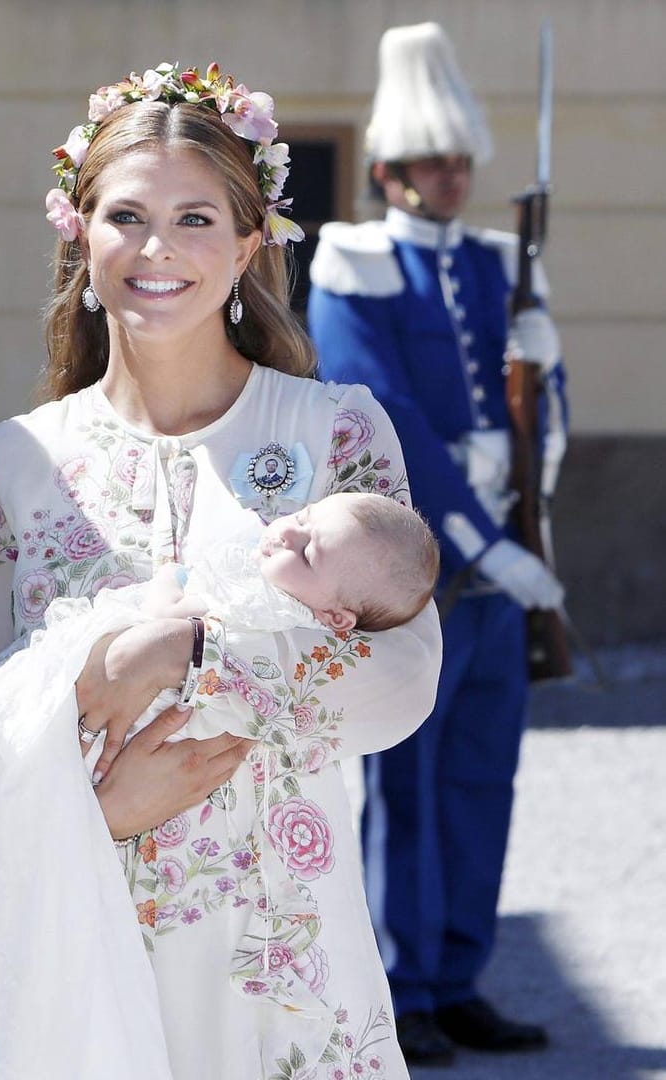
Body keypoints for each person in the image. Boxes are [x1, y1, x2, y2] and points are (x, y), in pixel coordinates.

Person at [0, 63, 444, 1079]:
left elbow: (400, 683)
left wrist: (191, 653)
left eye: (195, 219)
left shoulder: (335, 432)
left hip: (286, 967)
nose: (157, 250)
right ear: (79, 232)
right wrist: (93, 814)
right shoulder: (10, 464)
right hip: (74, 952)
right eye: (127, 216)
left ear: (248, 241)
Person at [308, 22, 567, 1064]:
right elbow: (394, 421)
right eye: (431, 162)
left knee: (480, 777)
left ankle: (457, 976)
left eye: (462, 160)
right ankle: (398, 987)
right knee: (405, 783)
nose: (453, 177)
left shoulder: (506, 267)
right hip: (420, 567)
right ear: (387, 173)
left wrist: (547, 375)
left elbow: (535, 414)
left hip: (505, 558)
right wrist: (480, 540)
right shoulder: (355, 267)